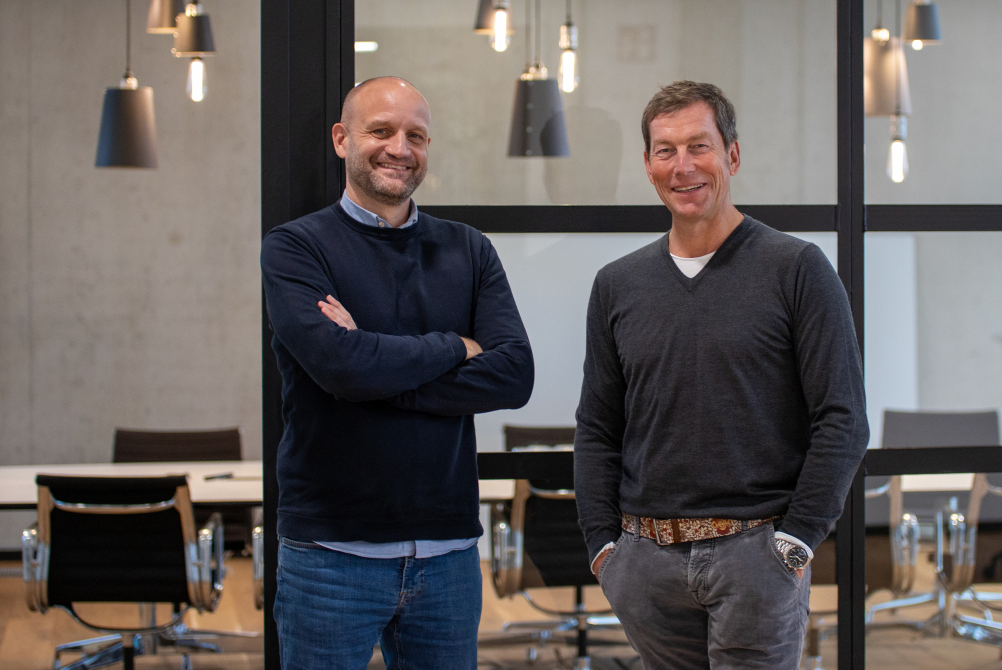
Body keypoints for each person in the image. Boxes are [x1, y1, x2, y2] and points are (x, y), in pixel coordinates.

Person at [574, 80, 868, 669]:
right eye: (666, 151)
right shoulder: (617, 285)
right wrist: (604, 547)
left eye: (699, 146)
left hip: (756, 555)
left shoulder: (797, 269)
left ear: (732, 154)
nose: (683, 167)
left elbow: (843, 419)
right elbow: (598, 427)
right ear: (649, 165)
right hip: (645, 563)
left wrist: (796, 541)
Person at [261, 76, 535, 670]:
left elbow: (514, 376)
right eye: (380, 131)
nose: (399, 148)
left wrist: (370, 365)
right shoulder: (296, 248)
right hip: (330, 552)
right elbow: (341, 369)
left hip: (449, 555)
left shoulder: (470, 250)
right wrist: (456, 346)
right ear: (341, 139)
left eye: (416, 135)